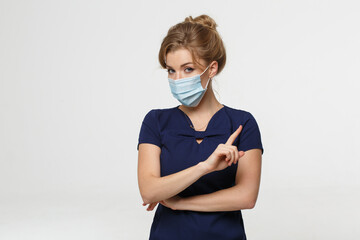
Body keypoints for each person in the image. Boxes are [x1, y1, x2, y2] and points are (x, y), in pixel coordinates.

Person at [137, 14, 263, 240]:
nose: (177, 79)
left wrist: (181, 203)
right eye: (170, 70)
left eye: (188, 69)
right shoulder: (156, 122)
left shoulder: (242, 123)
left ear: (211, 69)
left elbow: (246, 196)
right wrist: (204, 167)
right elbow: (149, 190)